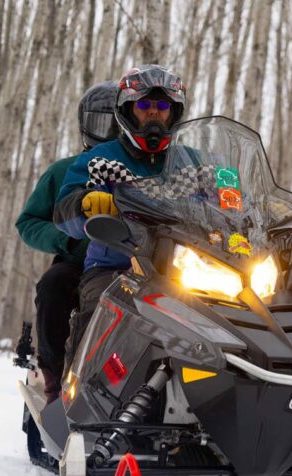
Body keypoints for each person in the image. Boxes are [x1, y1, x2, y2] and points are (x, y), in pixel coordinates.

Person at [54, 64, 187, 368]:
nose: (154, 113)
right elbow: (64, 211)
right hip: (118, 266)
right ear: (127, 110)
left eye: (162, 106)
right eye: (144, 105)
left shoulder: (192, 162)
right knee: (101, 306)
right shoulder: (101, 159)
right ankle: (74, 395)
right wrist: (85, 203)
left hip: (184, 271)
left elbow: (224, 198)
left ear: (174, 112)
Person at [15, 81, 119, 403]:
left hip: (144, 265)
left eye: (117, 122)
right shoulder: (66, 171)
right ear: (85, 126)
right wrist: (66, 240)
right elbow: (28, 222)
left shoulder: (142, 170)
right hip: (78, 263)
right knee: (52, 287)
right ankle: (56, 381)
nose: (111, 131)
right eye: (103, 123)